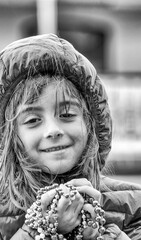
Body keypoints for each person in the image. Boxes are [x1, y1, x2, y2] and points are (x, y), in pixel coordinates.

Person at [0, 34, 141, 240]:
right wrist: (41, 228)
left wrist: (99, 235)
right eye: (32, 120)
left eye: (66, 115)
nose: (53, 130)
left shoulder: (134, 207)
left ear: (92, 124)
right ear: (9, 137)